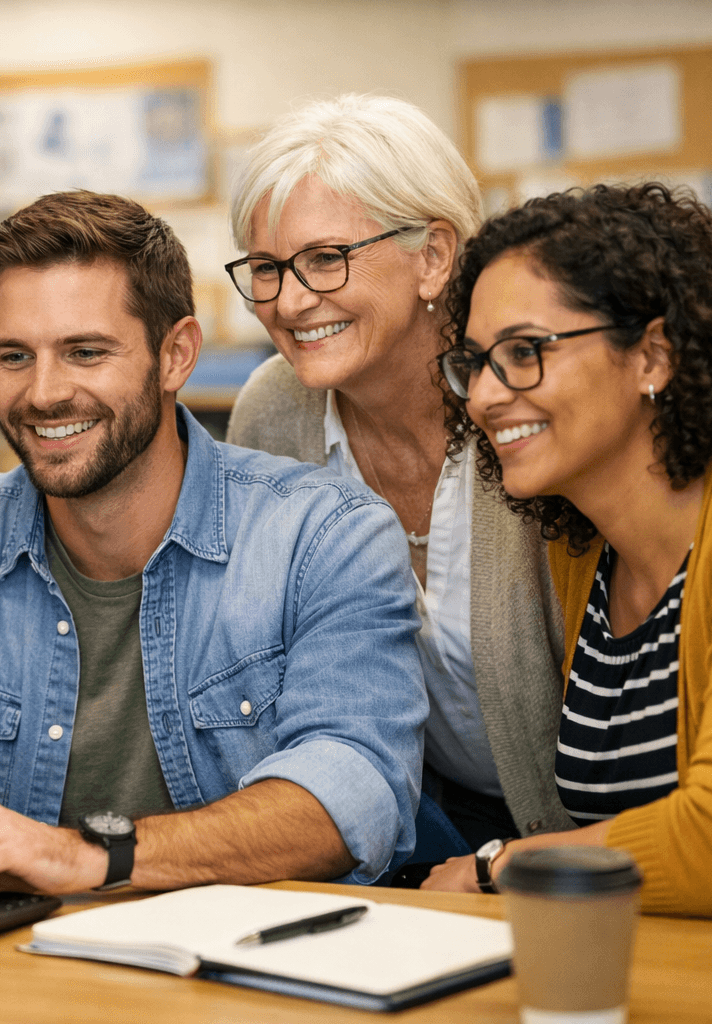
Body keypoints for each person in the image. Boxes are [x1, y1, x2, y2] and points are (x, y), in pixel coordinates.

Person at [0, 189, 427, 906]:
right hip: (9, 977)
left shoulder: (326, 537)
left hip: (256, 977)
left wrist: (95, 856)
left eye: (85, 352)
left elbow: (353, 789)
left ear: (176, 355)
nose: (43, 393)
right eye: (15, 356)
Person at [425, 182, 712, 918]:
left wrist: (500, 865)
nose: (484, 397)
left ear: (652, 355)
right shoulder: (582, 548)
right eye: (475, 362)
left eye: (525, 351)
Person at [223, 94, 570, 869]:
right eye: (268, 269)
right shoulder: (273, 413)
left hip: (592, 840)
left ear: (434, 256)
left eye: (325, 259)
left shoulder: (526, 398)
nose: (289, 300)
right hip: (413, 835)